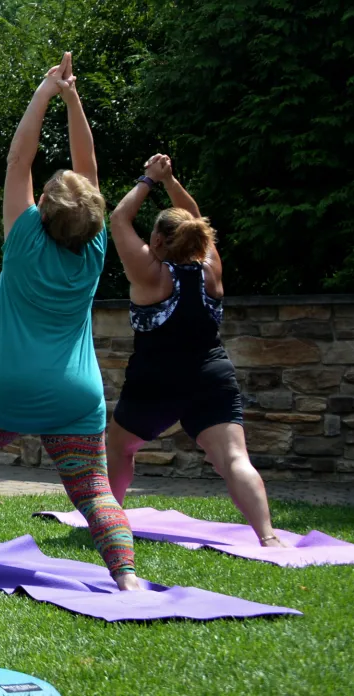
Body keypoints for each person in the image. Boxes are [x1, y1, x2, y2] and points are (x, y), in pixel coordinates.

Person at [0, 53, 146, 591]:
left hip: (3, 387)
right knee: (94, 491)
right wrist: (74, 97)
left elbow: (18, 159)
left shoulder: (24, 238)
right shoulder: (94, 248)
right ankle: (125, 577)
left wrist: (45, 91)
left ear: (43, 208)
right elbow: (92, 166)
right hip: (72, 394)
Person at [107, 154, 282, 546]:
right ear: (199, 239)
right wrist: (171, 181)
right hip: (210, 375)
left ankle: (109, 525)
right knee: (235, 458)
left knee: (120, 447)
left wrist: (149, 179)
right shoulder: (210, 267)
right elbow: (194, 217)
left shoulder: (149, 271)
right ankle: (268, 538)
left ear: (156, 241)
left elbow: (118, 219)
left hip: (156, 380)